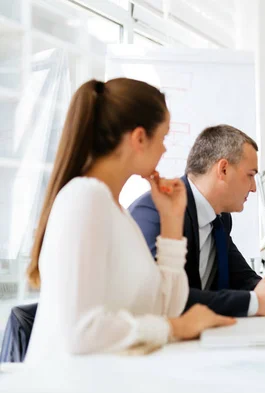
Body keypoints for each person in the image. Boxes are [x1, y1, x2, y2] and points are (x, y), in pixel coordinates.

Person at [25, 78, 235, 364]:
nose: (163, 150)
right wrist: (177, 328)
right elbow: (81, 331)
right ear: (138, 138)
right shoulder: (85, 198)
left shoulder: (116, 211)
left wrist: (172, 221)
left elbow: (166, 309)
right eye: (162, 138)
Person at [130, 125, 265, 317]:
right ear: (223, 169)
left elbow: (240, 276)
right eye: (250, 175)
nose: (254, 188)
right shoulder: (156, 212)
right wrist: (254, 302)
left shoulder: (221, 218)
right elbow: (164, 298)